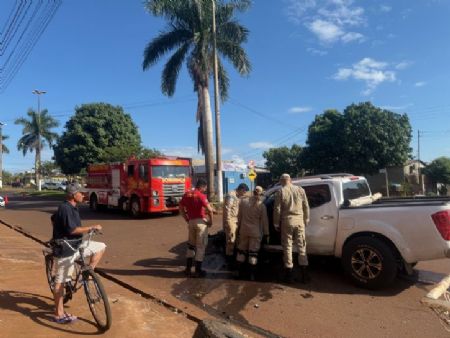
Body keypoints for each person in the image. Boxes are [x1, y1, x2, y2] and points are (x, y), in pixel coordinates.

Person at [51, 183, 105, 324]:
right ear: (73, 195)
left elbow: (54, 218)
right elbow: (72, 230)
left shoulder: (73, 207)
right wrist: (92, 227)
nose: (83, 195)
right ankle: (58, 313)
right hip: (65, 249)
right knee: (60, 282)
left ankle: (88, 272)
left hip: (77, 245)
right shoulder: (65, 208)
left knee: (100, 247)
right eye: (81, 193)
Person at [273, 173, 310, 283]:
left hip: (287, 221)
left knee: (288, 246)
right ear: (290, 180)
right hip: (299, 221)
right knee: (301, 246)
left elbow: (277, 209)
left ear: (281, 181)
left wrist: (276, 223)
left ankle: (289, 274)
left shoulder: (281, 191)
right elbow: (306, 206)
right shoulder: (300, 190)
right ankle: (304, 274)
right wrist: (306, 219)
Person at [179, 179, 214, 278]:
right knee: (200, 246)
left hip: (191, 222)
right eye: (205, 188)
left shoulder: (187, 194)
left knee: (191, 245)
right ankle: (198, 271)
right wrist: (210, 222)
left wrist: (186, 219)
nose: (205, 189)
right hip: (200, 223)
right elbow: (210, 210)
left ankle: (188, 269)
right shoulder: (201, 196)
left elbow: (181, 208)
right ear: (202, 187)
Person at [236, 186, 269, 281]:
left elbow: (239, 218)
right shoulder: (261, 206)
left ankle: (239, 273)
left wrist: (238, 230)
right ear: (261, 194)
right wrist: (266, 234)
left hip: (243, 231)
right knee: (253, 253)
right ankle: (251, 275)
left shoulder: (244, 202)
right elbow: (264, 222)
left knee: (241, 251)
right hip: (255, 233)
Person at [223, 183, 249, 267]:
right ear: (241, 189)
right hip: (231, 220)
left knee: (236, 240)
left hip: (236, 220)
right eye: (244, 192)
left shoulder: (238, 196)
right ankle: (229, 259)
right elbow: (228, 209)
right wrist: (228, 222)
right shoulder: (231, 195)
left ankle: (233, 257)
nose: (244, 194)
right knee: (231, 240)